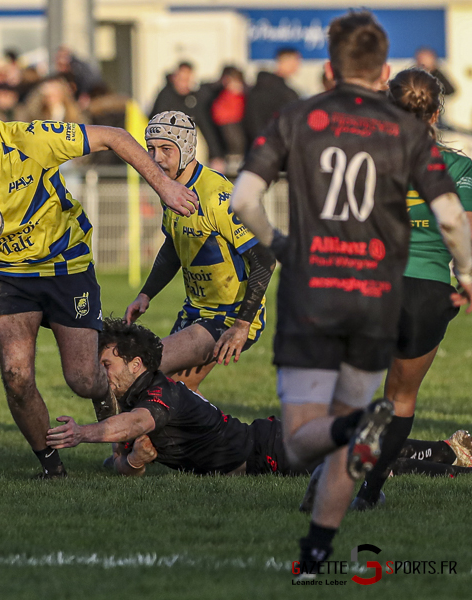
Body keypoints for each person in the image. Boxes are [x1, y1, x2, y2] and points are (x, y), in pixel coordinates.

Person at [229, 11, 472, 574]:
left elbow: (245, 199)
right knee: (400, 399)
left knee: (322, 416)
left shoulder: (315, 127)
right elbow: (456, 222)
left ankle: (340, 450)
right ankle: (354, 505)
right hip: (423, 292)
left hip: (348, 284)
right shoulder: (435, 156)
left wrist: (283, 246)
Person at [0, 80, 199, 478]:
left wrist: (164, 186)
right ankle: (51, 468)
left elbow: (115, 135)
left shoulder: (31, 139)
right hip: (6, 275)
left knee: (84, 379)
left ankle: (118, 437)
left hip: (65, 267)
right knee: (15, 375)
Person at [46, 319, 472, 480]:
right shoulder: (141, 397)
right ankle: (450, 451)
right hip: (267, 442)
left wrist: (82, 433)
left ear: (135, 364)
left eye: (107, 364)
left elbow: (136, 426)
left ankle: (450, 466)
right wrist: (135, 461)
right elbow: (123, 457)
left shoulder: (159, 395)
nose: (103, 374)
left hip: (269, 450)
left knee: (367, 465)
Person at [350, 68, 472, 511]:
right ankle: (369, 492)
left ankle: (325, 487)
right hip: (427, 293)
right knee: (400, 396)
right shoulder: (460, 167)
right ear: (437, 112)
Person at [124, 111, 275, 393]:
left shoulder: (219, 197)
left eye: (166, 149)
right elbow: (172, 248)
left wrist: (242, 325)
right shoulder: (171, 191)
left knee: (150, 375)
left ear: (187, 149)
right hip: (195, 311)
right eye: (151, 150)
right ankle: (211, 437)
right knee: (174, 393)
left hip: (230, 316)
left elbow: (265, 258)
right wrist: (146, 293)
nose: (156, 158)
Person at [242, 47, 301, 146]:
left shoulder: (259, 86)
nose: (298, 65)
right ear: (283, 61)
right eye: (296, 61)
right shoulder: (282, 92)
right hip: (272, 147)